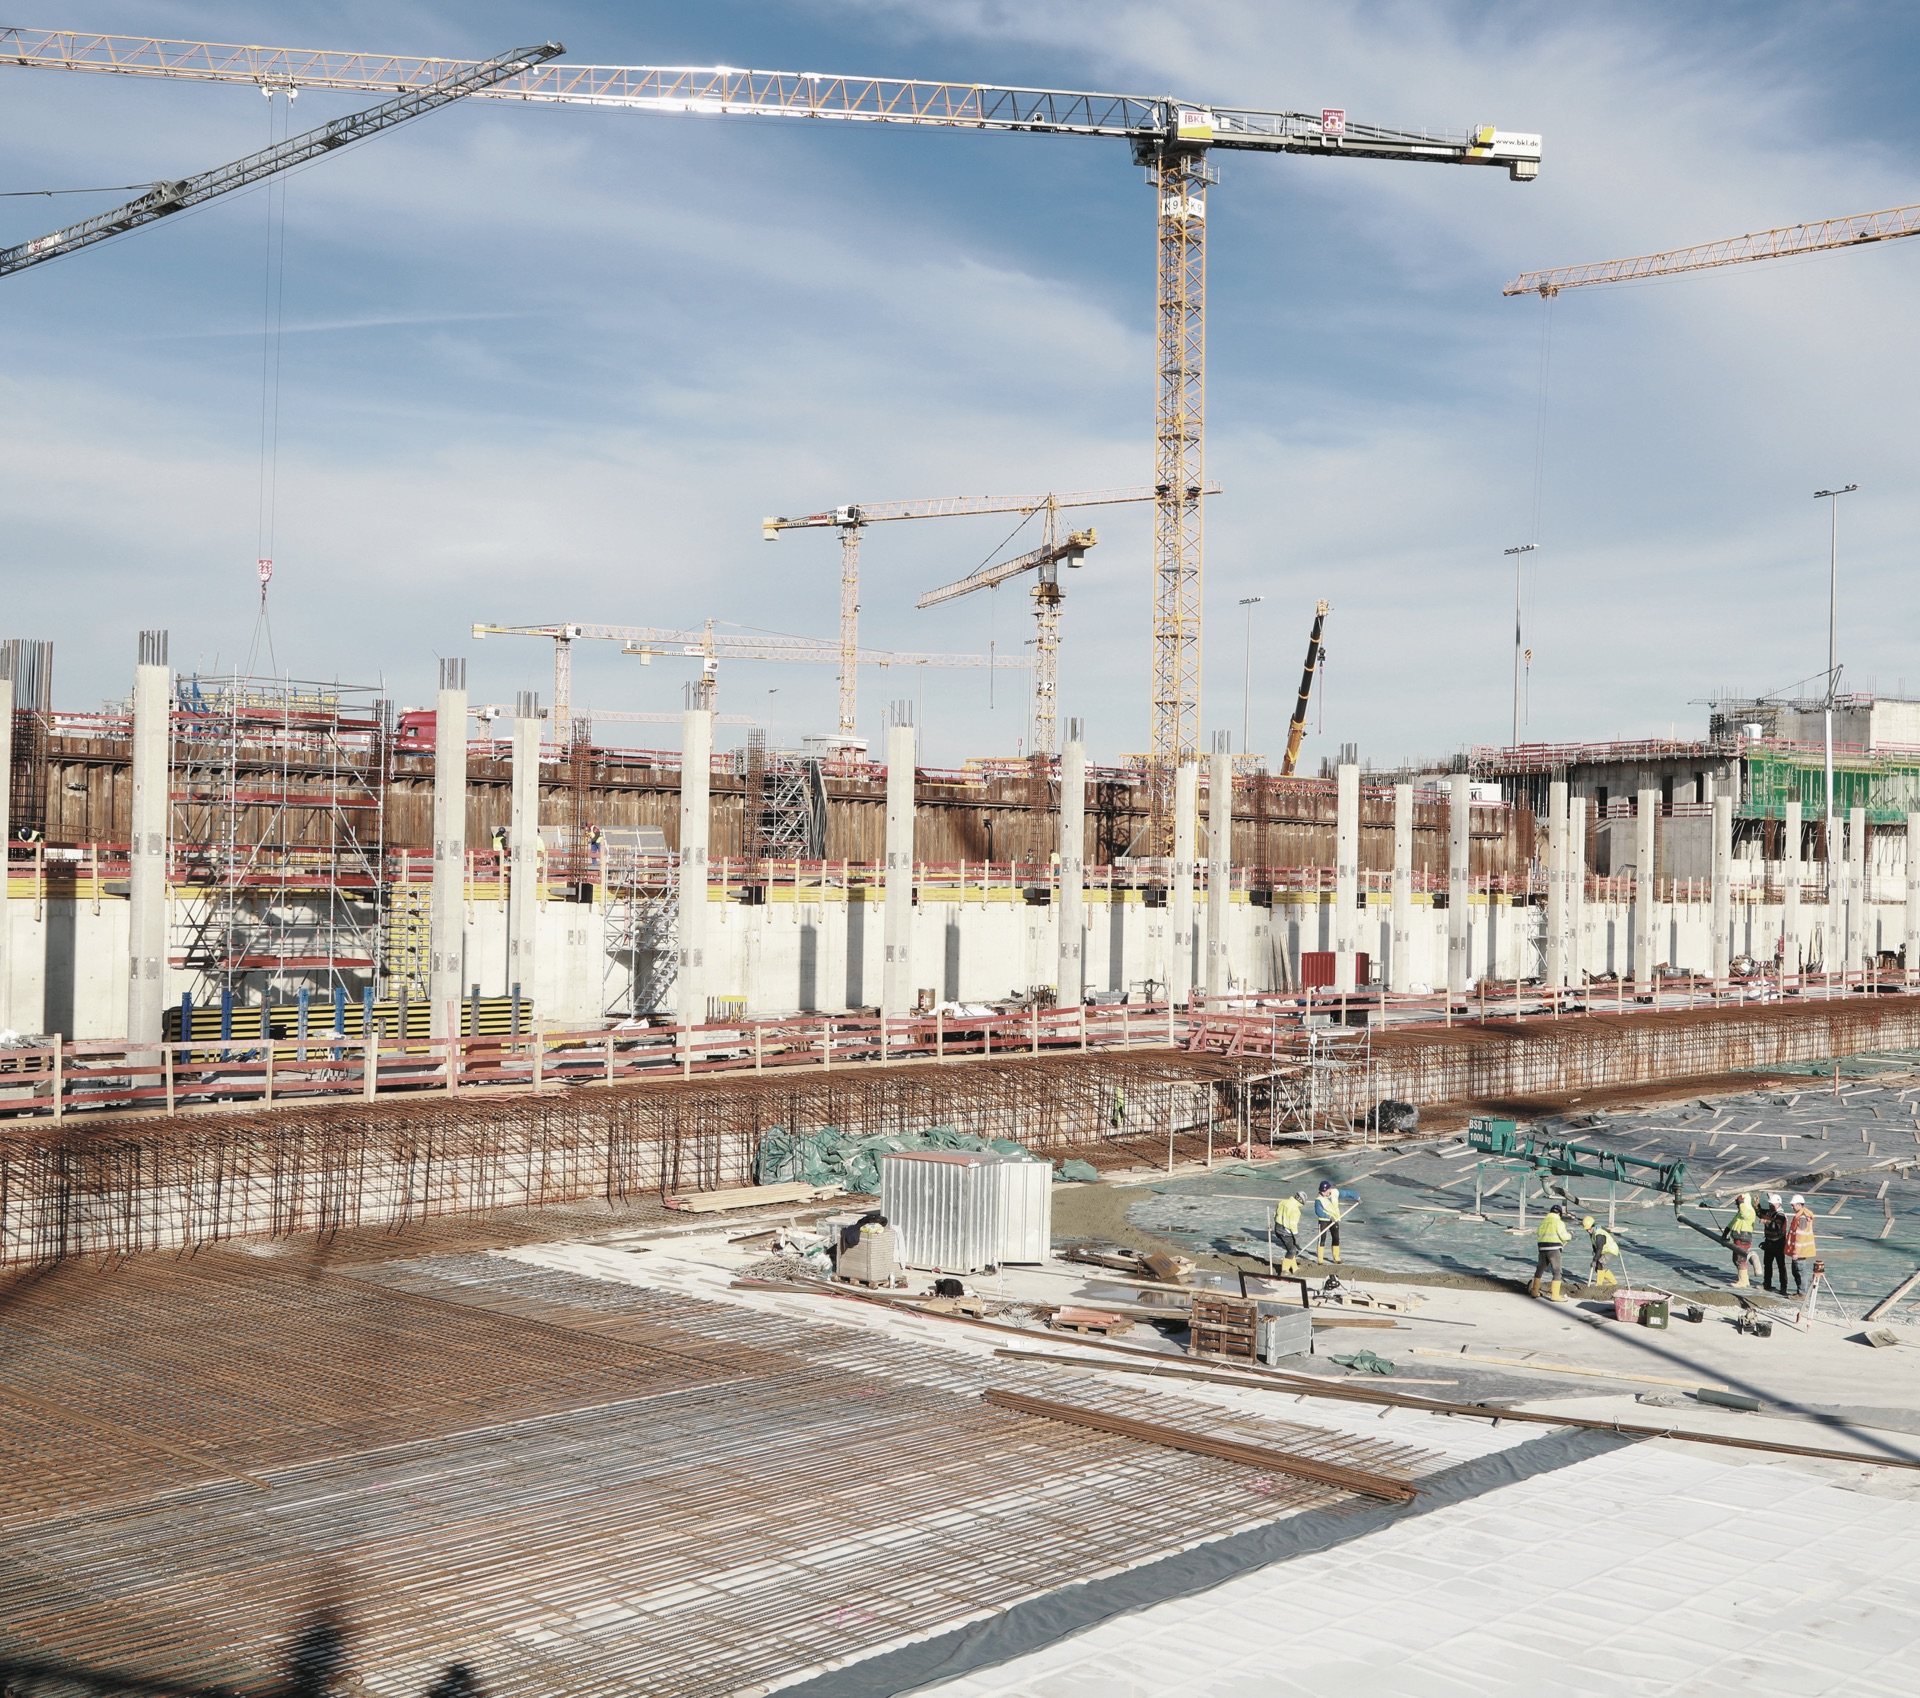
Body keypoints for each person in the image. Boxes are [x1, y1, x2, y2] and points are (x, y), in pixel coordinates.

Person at [1532, 1203, 1572, 1301]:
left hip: (1542, 1249)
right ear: (1560, 1214)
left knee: (1539, 1270)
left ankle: (1534, 1291)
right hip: (1553, 1249)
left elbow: (1538, 1233)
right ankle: (1555, 1296)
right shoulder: (1559, 1222)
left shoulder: (1543, 1222)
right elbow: (1563, 1236)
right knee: (1557, 1271)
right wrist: (1570, 1235)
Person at [1313, 1179, 1359, 1264]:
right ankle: (1320, 1260)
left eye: (1325, 1191)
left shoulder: (1334, 1192)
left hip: (1335, 1219)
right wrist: (1329, 1217)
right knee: (1321, 1239)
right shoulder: (1319, 1200)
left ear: (1329, 1189)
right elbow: (1318, 1212)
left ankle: (1336, 1257)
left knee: (1336, 1238)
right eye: (1322, 1191)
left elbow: (1347, 1193)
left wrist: (1356, 1197)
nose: (1323, 1193)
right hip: (1324, 1220)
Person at [1724, 1191, 1758, 1288]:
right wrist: (1727, 1230)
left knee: (1740, 1259)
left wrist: (1741, 1202)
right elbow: (1734, 1221)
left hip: (1744, 1238)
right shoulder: (1740, 1212)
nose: (1738, 1205)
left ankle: (1742, 1281)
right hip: (1738, 1237)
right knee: (1736, 1259)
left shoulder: (1749, 1211)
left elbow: (1744, 1214)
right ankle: (1744, 1279)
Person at [1786, 1195, 1818, 1295]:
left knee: (1800, 1272)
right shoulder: (1801, 1215)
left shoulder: (1802, 1218)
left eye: (1793, 1205)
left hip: (1800, 1251)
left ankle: (1802, 1293)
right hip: (1800, 1250)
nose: (1792, 1207)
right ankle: (1800, 1292)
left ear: (1799, 1204)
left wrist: (1796, 1252)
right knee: (1797, 1271)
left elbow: (1800, 1237)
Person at [1581, 1214, 1620, 1290]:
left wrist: (1595, 1260)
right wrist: (1595, 1253)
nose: (1588, 1231)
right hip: (1603, 1250)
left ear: (1593, 1226)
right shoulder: (1592, 1233)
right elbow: (1594, 1245)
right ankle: (1613, 1282)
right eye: (1587, 1230)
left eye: (1589, 1229)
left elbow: (1599, 1248)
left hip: (1611, 1250)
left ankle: (1599, 1284)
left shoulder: (1599, 1234)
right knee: (1598, 1269)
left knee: (1600, 1263)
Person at [1760, 1193, 1789, 1294]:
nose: (1770, 1206)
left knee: (1781, 1265)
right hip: (1769, 1242)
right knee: (1767, 1264)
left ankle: (1783, 1286)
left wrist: (1766, 1222)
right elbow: (1760, 1213)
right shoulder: (1770, 1212)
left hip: (1778, 1243)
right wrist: (1756, 1206)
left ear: (1777, 1204)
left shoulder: (1781, 1215)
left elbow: (1777, 1225)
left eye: (1772, 1204)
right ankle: (1767, 1283)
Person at [1272, 1191, 1307, 1275]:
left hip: (1278, 1228)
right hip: (1286, 1231)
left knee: (1292, 1248)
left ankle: (1294, 1268)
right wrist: (1296, 1236)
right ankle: (1284, 1270)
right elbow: (1293, 1225)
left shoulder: (1283, 1202)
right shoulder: (1295, 1210)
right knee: (1291, 1250)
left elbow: (1275, 1214)